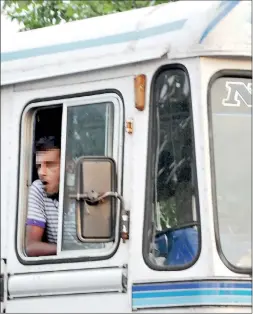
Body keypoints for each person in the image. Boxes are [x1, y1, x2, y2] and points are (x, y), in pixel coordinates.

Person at [25, 136, 61, 256]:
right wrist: (69, 251)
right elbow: (31, 246)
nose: (41, 172)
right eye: (39, 166)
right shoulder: (38, 188)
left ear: (68, 166)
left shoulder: (85, 189)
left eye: (50, 165)